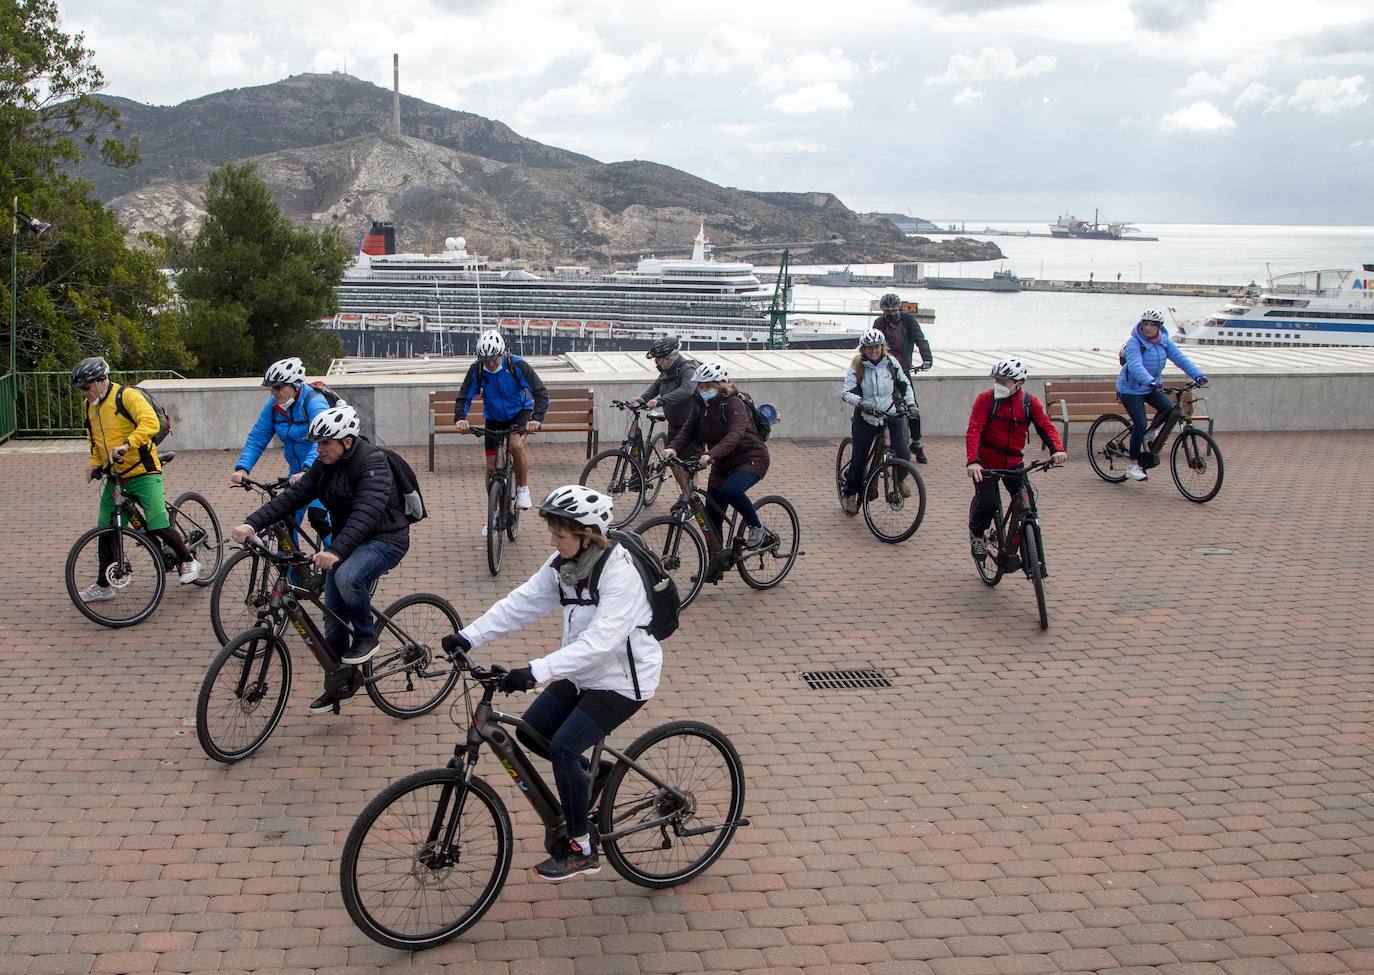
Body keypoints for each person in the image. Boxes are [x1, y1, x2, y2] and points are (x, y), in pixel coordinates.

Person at [440, 485, 661, 882]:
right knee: (532, 734)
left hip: (623, 680)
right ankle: (600, 776)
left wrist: (536, 670)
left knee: (563, 748)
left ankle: (583, 847)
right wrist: (469, 635)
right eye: (553, 533)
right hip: (580, 673)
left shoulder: (619, 572)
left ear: (588, 535)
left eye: (561, 535)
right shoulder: (565, 563)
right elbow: (523, 601)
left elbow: (601, 643)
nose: (553, 542)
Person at [229, 405, 410, 713]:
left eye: (326, 443)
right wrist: (251, 523)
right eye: (318, 443)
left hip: (385, 539)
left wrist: (335, 551)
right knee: (332, 614)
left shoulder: (373, 463)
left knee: (348, 576)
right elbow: (291, 499)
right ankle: (338, 681)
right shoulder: (324, 467)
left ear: (347, 442)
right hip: (348, 540)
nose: (320, 449)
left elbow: (366, 513)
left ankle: (367, 638)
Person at [74, 356, 201, 601]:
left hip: (144, 471)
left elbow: (150, 423)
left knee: (157, 523)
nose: (84, 393)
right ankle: (104, 585)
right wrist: (94, 464)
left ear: (102, 380)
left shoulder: (126, 396)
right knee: (106, 529)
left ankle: (188, 560)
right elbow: (95, 440)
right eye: (81, 389)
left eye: (86, 387)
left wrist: (126, 444)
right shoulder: (91, 406)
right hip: (116, 476)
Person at [966, 358, 1067, 569]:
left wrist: (1057, 449)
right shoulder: (985, 399)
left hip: (1014, 463)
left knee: (1028, 506)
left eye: (1004, 381)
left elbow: (1046, 427)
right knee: (989, 503)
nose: (999, 385)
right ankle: (977, 535)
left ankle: (1030, 554)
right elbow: (974, 430)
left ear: (1018, 383)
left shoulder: (1029, 403)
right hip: (987, 463)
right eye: (997, 380)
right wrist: (973, 462)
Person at [662, 363, 770, 559]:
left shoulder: (734, 403)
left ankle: (756, 527)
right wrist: (673, 447)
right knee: (712, 516)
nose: (702, 390)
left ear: (719, 385)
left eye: (706, 386)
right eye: (700, 386)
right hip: (722, 463)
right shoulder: (700, 404)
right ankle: (716, 560)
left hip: (751, 458)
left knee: (732, 489)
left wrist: (711, 455)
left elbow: (735, 435)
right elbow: (688, 430)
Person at [230, 356, 331, 541]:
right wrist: (243, 468)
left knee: (319, 519)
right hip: (296, 473)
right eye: (272, 388)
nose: (274, 392)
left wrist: (307, 469)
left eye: (278, 387)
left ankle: (336, 565)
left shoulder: (314, 402)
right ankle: (292, 570)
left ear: (295, 385)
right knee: (284, 523)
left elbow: (321, 440)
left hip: (321, 470)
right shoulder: (274, 407)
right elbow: (258, 437)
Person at [455, 331, 549, 524]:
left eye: (493, 359)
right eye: (485, 360)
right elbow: (464, 396)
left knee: (515, 446)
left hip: (519, 413)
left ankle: (523, 489)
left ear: (502, 353)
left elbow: (540, 393)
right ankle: (496, 511)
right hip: (494, 417)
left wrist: (537, 418)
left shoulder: (516, 365)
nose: (490, 364)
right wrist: (460, 418)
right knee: (490, 466)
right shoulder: (477, 369)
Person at [1117, 310, 1208, 482]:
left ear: (1159, 327)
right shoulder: (1134, 343)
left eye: (1152, 325)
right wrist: (1149, 380)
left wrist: (1198, 375)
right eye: (1145, 324)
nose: (1148, 328)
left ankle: (1150, 434)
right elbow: (1135, 365)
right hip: (1131, 389)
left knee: (1168, 409)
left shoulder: (1164, 342)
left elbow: (1181, 359)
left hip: (1150, 386)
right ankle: (1133, 466)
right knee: (1140, 423)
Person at [840, 329, 917, 516]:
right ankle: (849, 494)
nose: (873, 351)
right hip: (866, 418)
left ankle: (898, 479)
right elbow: (846, 392)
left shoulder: (891, 363)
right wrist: (862, 403)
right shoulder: (858, 366)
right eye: (869, 348)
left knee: (904, 455)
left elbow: (905, 385)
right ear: (863, 349)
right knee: (859, 460)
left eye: (876, 347)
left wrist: (912, 405)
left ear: (882, 348)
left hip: (890, 415)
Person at [630, 336, 697, 493]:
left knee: (689, 465)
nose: (656, 363)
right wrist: (644, 398)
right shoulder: (667, 370)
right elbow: (658, 384)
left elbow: (688, 390)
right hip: (675, 424)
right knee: (672, 462)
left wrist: (660, 401)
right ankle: (688, 496)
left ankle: (692, 500)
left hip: (691, 425)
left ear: (668, 357)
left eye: (658, 359)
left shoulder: (686, 369)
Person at [874, 293, 934, 463]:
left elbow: (920, 340)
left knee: (912, 405)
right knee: (883, 405)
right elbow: (876, 345)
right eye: (888, 311)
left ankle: (917, 442)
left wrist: (927, 359)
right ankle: (884, 441)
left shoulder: (908, 320)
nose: (892, 314)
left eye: (894, 310)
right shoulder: (879, 323)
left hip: (904, 369)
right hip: (886, 370)